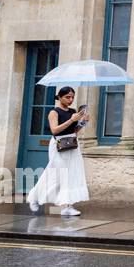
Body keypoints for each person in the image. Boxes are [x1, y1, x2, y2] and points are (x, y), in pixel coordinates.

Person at [27, 86, 90, 216]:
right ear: (60, 97)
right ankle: (34, 197)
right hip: (58, 145)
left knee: (71, 175)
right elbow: (54, 130)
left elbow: (74, 131)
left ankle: (67, 206)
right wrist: (71, 120)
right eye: (67, 97)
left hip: (72, 144)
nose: (70, 99)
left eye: (72, 97)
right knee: (57, 175)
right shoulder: (54, 112)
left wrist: (82, 123)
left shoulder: (73, 111)